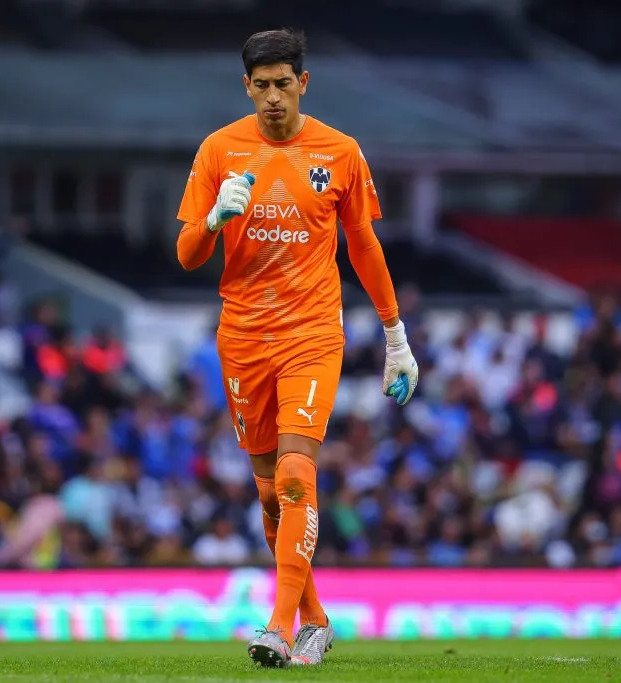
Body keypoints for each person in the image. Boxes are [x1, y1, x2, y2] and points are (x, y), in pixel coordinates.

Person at [175, 28, 419, 667]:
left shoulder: (339, 152)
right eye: (263, 86)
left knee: (292, 476)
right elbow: (186, 255)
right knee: (265, 493)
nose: (274, 97)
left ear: (303, 84)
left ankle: (279, 627)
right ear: (247, 87)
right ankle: (315, 621)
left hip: (312, 334)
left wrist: (395, 335)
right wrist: (212, 222)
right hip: (243, 337)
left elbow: (363, 245)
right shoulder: (219, 151)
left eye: (285, 84)